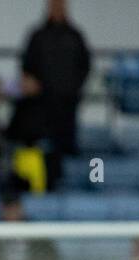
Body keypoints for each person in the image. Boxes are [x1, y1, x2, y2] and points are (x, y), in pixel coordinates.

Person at [20, 0, 90, 170]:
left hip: (68, 100)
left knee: (66, 146)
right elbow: (27, 64)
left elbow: (85, 64)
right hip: (42, 102)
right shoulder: (38, 35)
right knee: (44, 146)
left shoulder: (75, 35)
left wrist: (75, 86)